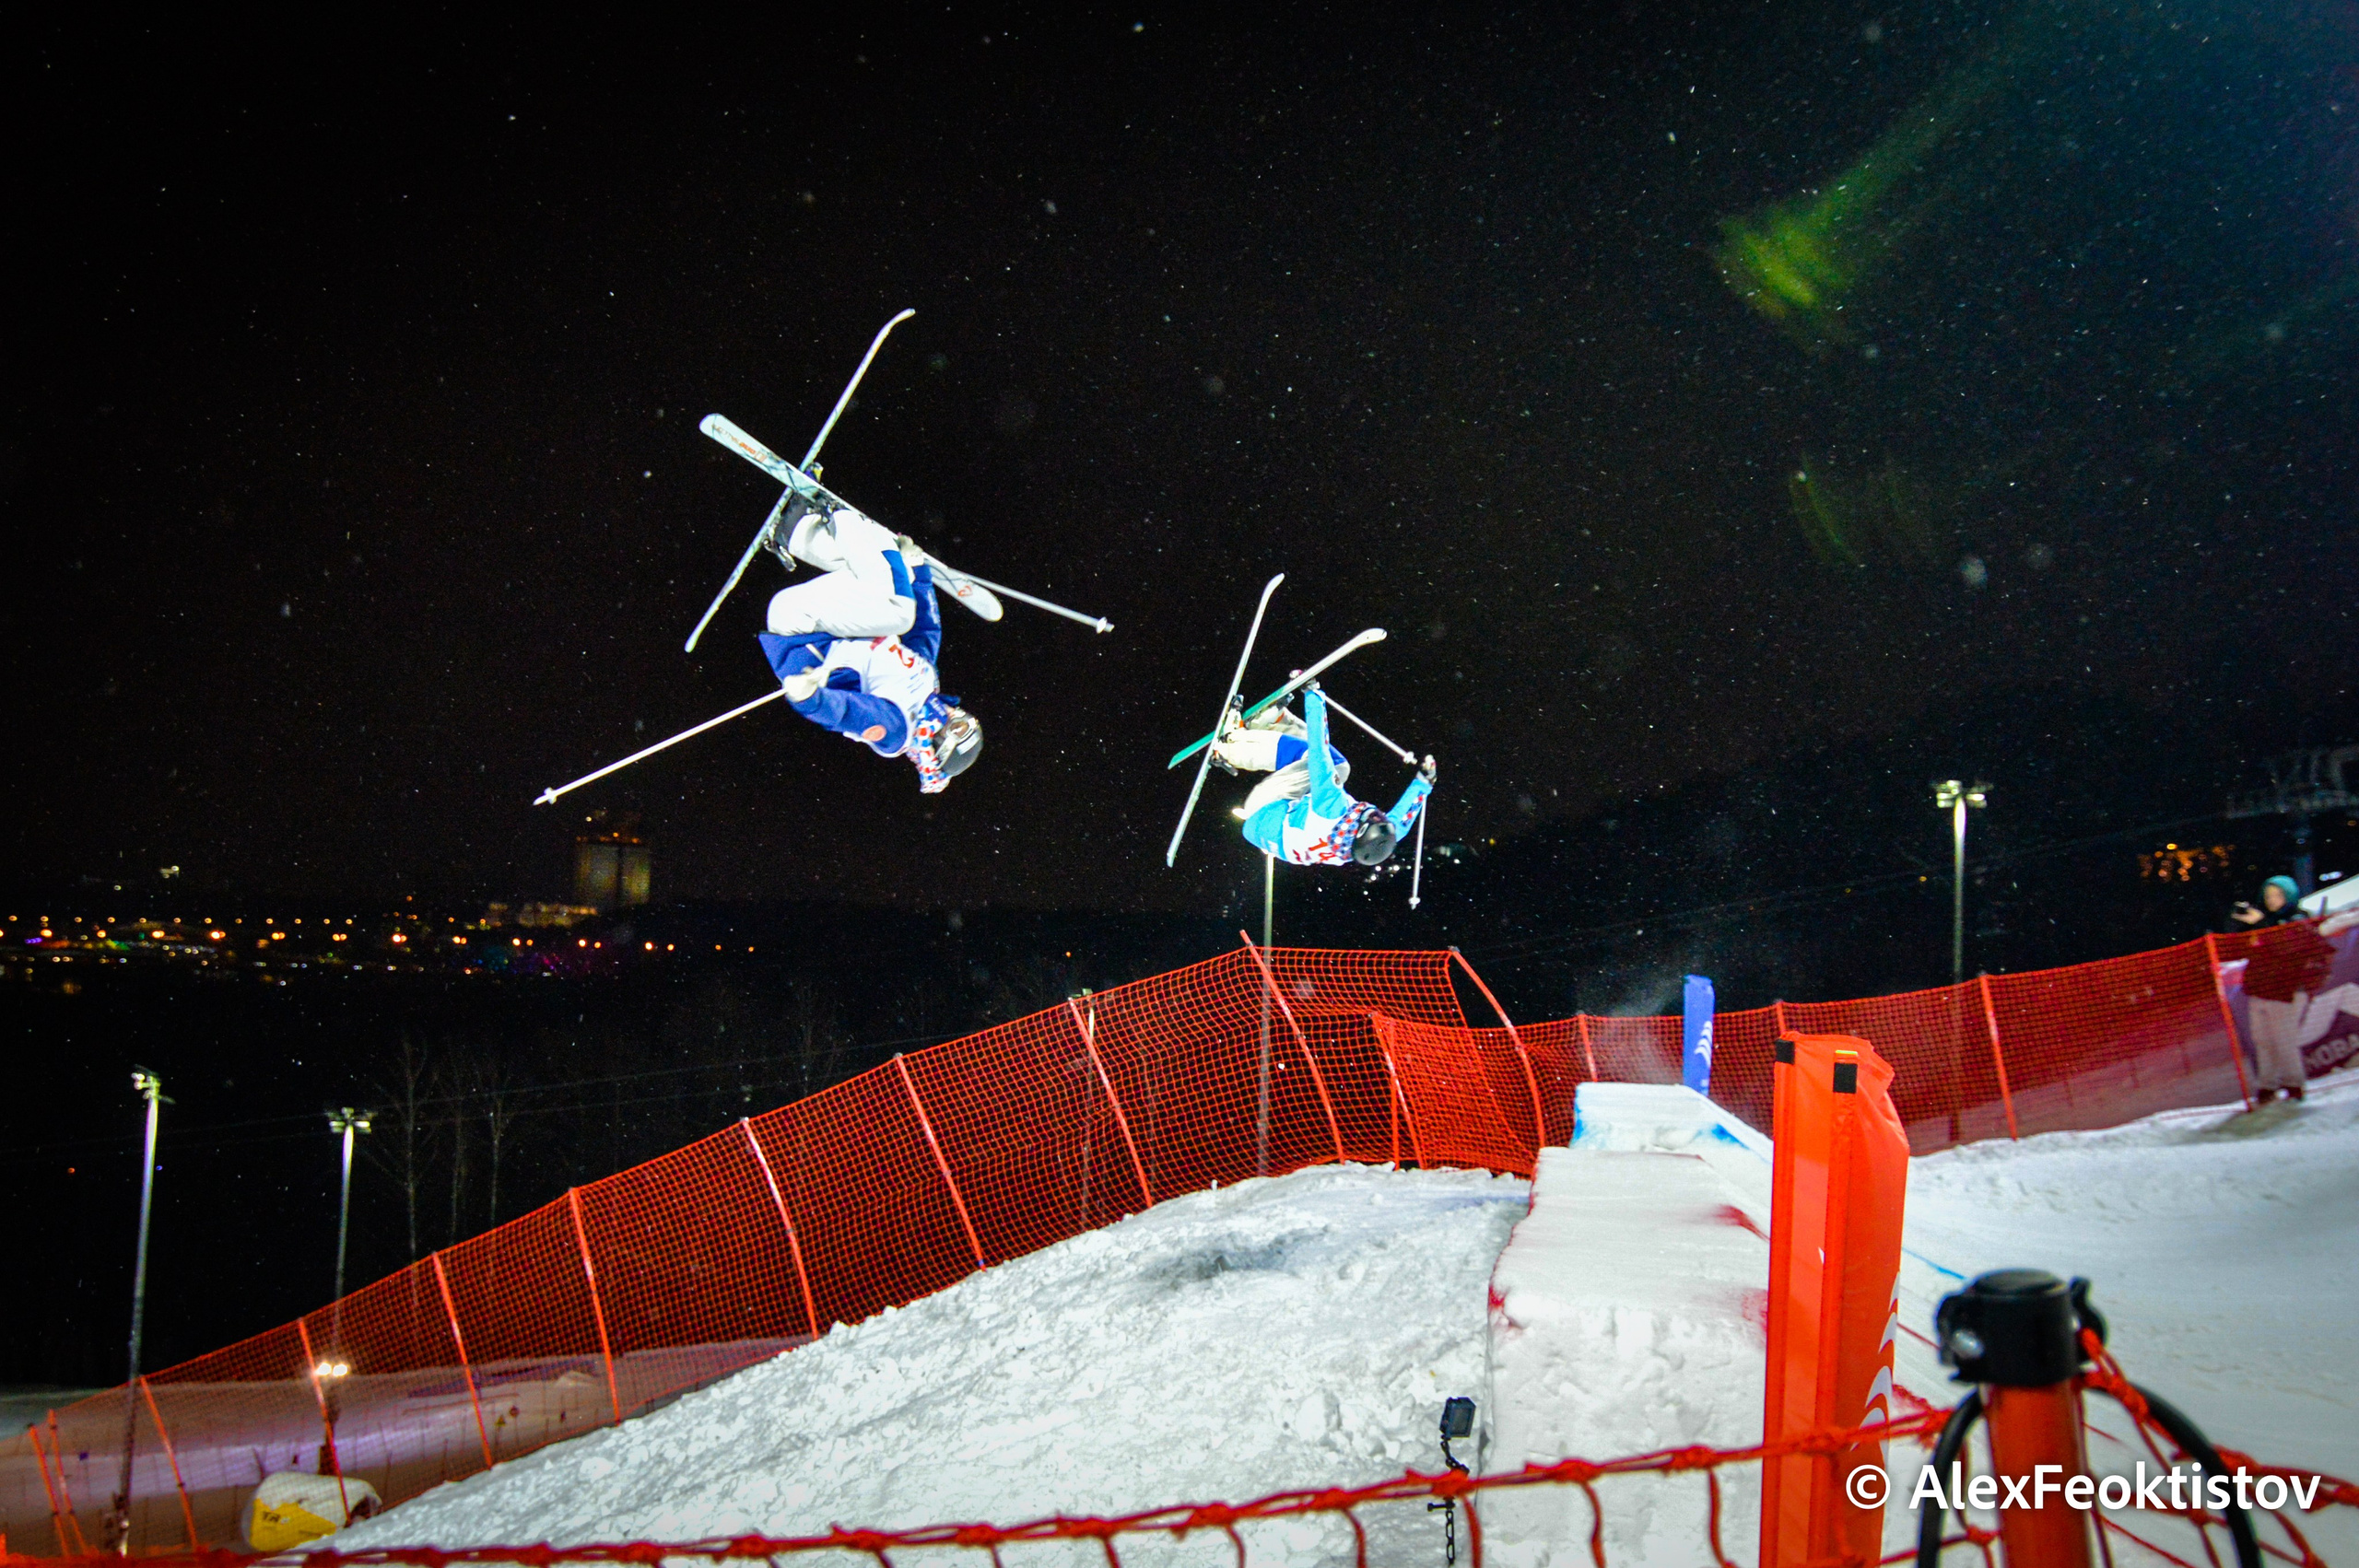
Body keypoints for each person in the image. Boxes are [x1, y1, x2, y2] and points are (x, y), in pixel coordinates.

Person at [756, 504, 981, 792]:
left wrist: (809, 698)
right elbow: (926, 630)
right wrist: (918, 573)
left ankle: (839, 514)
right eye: (966, 719)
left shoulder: (897, 729)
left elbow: (847, 713)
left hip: (800, 632)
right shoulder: (927, 682)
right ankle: (796, 530)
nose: (956, 715)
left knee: (898, 609)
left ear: (939, 745)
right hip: (827, 622)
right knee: (881, 569)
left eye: (958, 729)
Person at [1210, 684, 1432, 866]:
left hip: (1265, 809)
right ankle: (1270, 723)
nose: (1378, 814)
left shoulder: (1331, 810)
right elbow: (1400, 823)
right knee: (1340, 767)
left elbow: (1319, 750)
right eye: (1381, 818)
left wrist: (1313, 696)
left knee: (1318, 760)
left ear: (1361, 828)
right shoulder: (1358, 844)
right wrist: (1424, 782)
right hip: (1273, 829)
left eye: (1374, 818)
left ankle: (1230, 745)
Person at [2231, 875, 2359, 1103]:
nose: (2272, 900)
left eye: (2277, 895)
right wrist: (2240, 924)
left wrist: (2262, 924)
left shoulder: (2298, 920)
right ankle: (2267, 1087)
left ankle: (2294, 1085)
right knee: (2263, 1042)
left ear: (2289, 896)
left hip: (2286, 992)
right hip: (2259, 990)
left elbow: (2286, 946)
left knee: (2284, 1042)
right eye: (2268, 895)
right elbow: (2242, 949)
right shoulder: (2265, 921)